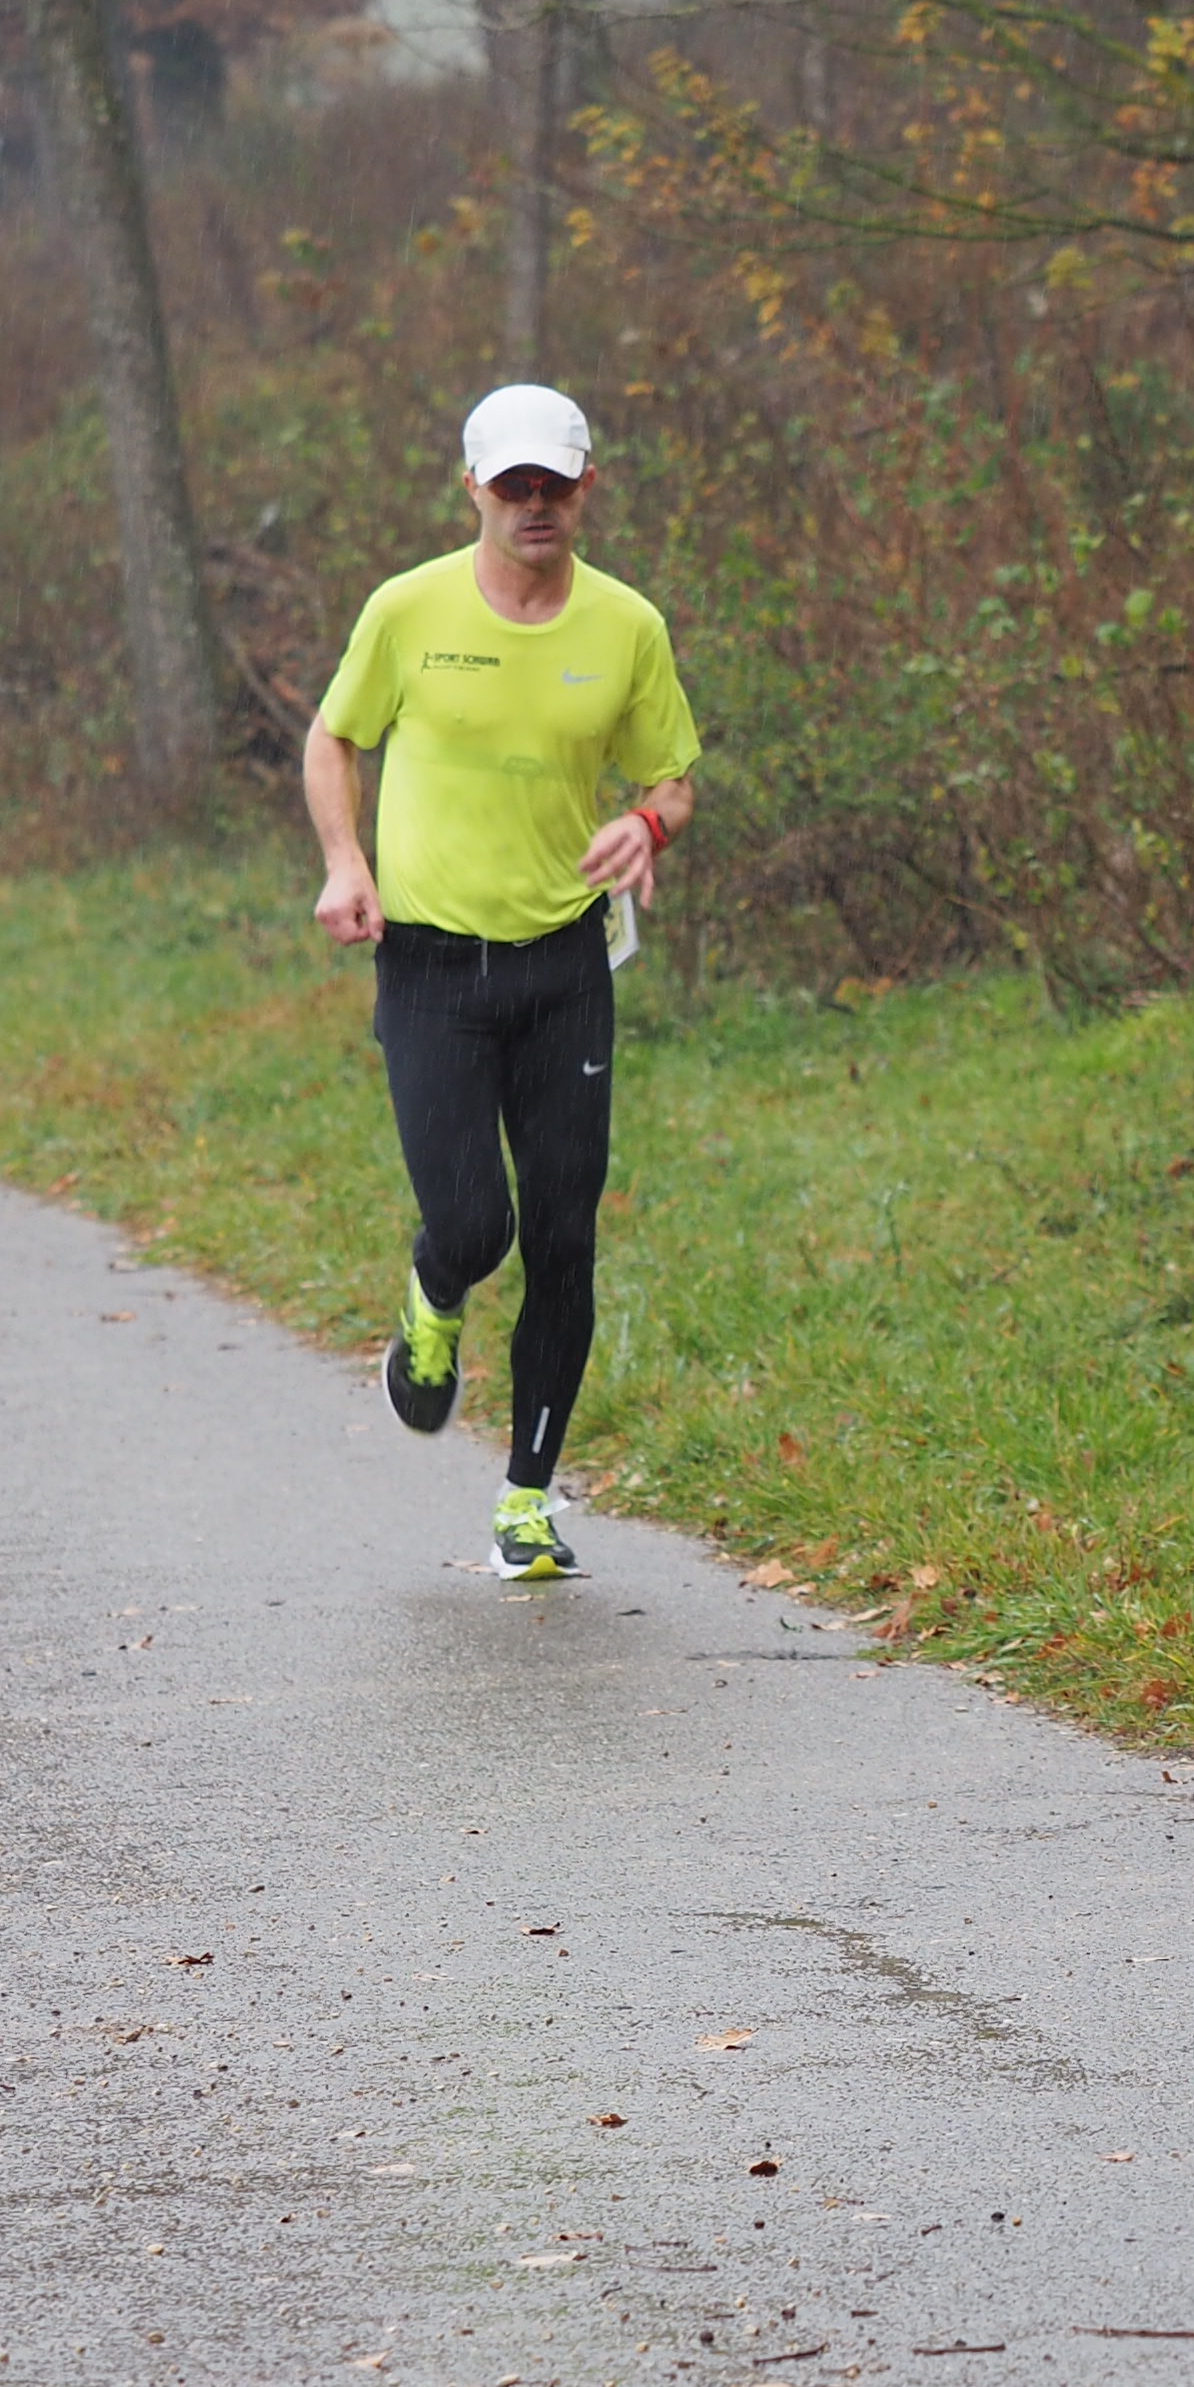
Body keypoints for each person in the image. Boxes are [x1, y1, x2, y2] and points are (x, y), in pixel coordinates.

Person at [304, 384, 701, 1583]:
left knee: (565, 1235)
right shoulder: (408, 610)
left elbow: (673, 777)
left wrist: (647, 823)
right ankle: (433, 1299)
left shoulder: (627, 626)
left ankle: (528, 1498)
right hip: (430, 964)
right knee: (476, 1226)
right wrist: (345, 861)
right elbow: (335, 737)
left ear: (587, 488)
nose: (536, 504)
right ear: (471, 487)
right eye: (514, 484)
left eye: (556, 484)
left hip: (566, 966)